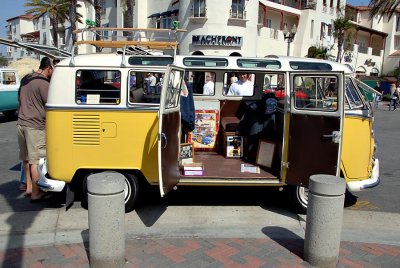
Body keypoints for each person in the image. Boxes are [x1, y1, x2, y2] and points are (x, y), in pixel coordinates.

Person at [17, 57, 53, 201]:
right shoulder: (43, 83)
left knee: (25, 158)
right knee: (36, 160)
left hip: (21, 123)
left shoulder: (26, 79)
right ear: (48, 68)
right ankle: (37, 193)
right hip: (34, 125)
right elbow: (50, 104)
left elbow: (19, 99)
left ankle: (29, 187)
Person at [237, 93, 278, 162]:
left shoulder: (253, 107)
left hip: (253, 132)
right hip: (267, 136)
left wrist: (241, 131)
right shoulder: (274, 110)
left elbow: (245, 122)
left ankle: (251, 157)